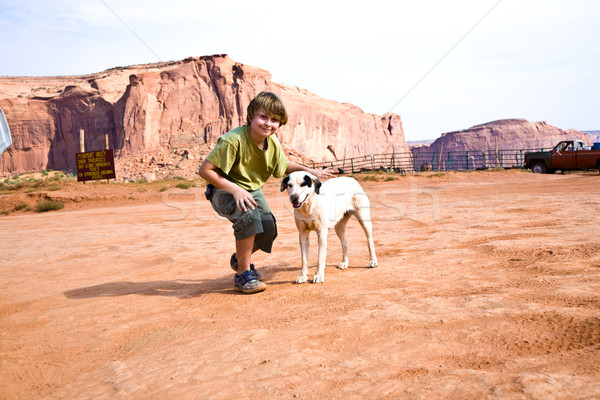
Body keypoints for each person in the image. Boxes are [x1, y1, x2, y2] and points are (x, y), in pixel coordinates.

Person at [198, 91, 337, 294]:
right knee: (248, 215)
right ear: (252, 115)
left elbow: (284, 165)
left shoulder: (271, 142)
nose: (268, 124)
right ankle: (243, 275)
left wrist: (313, 171)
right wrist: (235, 190)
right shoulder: (233, 140)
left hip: (251, 189)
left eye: (274, 120)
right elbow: (205, 171)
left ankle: (239, 259)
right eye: (263, 117)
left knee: (268, 229)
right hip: (224, 189)